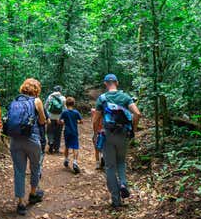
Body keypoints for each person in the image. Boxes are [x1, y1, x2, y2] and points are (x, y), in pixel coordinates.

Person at [92, 74, 141, 209]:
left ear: (105, 84)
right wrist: (133, 130)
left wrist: (95, 134)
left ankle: (116, 200)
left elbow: (96, 119)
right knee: (121, 161)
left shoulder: (102, 99)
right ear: (117, 83)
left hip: (108, 135)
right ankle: (123, 184)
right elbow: (137, 113)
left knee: (109, 166)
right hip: (123, 134)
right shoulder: (125, 97)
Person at [5, 78, 47, 215]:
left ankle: (20, 202)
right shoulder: (37, 101)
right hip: (32, 139)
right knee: (35, 167)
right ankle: (33, 194)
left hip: (15, 140)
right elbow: (42, 120)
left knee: (19, 170)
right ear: (36, 89)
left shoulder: (15, 102)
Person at [59, 97, 83, 174]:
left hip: (67, 132)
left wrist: (63, 122)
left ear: (66, 104)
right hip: (74, 132)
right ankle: (75, 162)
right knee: (75, 147)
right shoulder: (76, 112)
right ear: (73, 104)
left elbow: (60, 121)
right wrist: (77, 122)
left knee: (67, 146)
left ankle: (66, 159)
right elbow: (81, 121)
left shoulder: (64, 112)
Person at [44, 85, 65, 153]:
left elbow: (45, 107)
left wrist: (46, 116)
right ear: (60, 90)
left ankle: (51, 143)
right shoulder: (63, 98)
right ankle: (56, 149)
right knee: (58, 133)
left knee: (50, 131)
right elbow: (65, 109)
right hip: (59, 118)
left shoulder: (50, 97)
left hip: (50, 118)